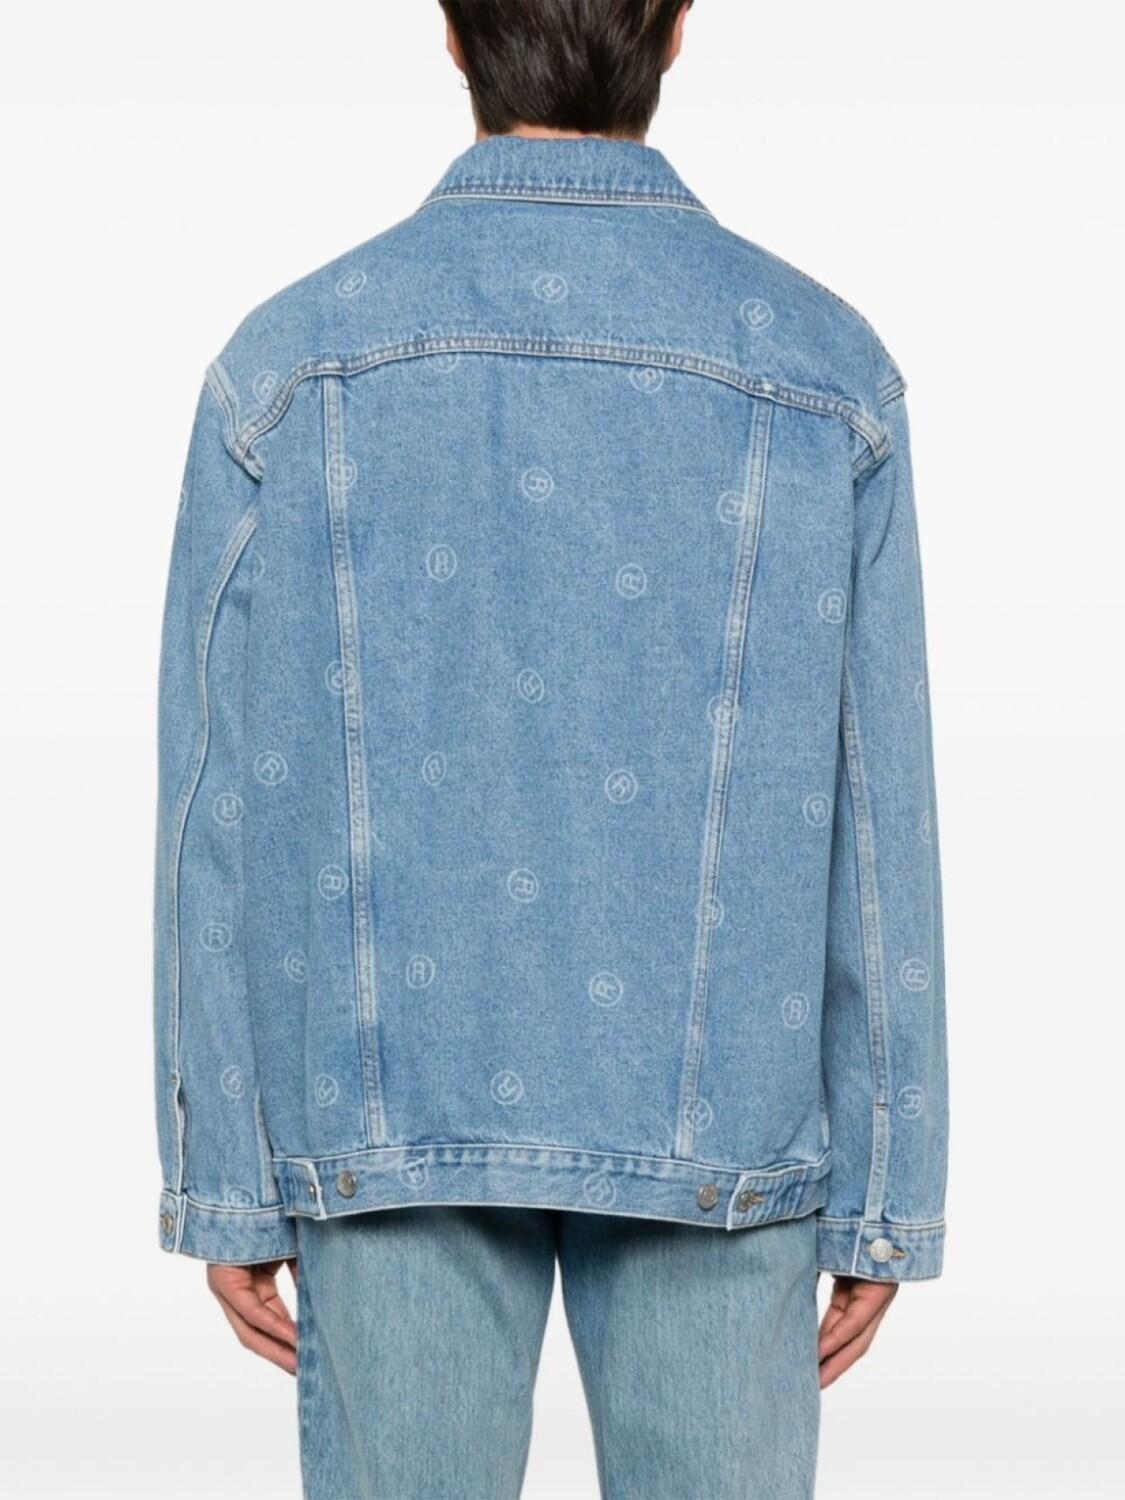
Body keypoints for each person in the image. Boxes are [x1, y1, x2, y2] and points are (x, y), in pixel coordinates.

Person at [152, 3, 949, 1495]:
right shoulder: (824, 370)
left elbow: (216, 798)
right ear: (678, 29)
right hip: (725, 1126)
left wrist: (223, 1177)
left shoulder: (290, 365)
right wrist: (889, 1186)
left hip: (384, 1123)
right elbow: (877, 808)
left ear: (453, 36)